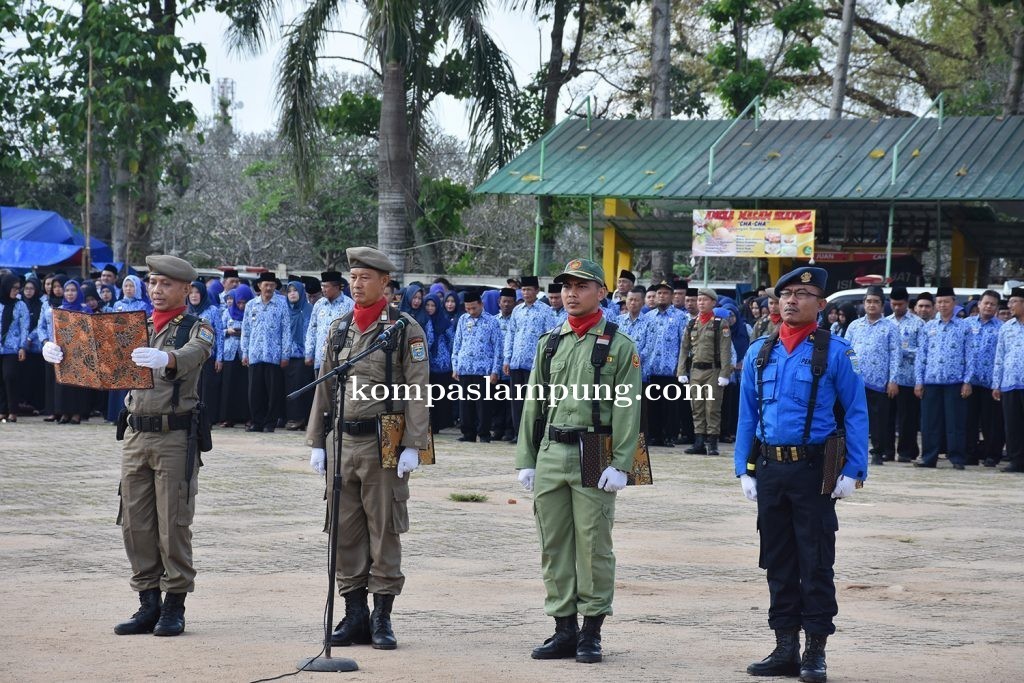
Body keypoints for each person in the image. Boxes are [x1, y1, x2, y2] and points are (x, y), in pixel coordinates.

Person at [43, 255, 213, 637]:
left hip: (174, 436)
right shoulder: (136, 325)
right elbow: (100, 362)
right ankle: (147, 601)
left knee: (173, 522)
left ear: (187, 289)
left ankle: (174, 605)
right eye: (152, 282)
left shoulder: (195, 328)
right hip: (136, 434)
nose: (156, 290)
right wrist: (61, 355)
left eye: (166, 284)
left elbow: (194, 356)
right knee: (135, 522)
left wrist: (166, 357)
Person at [735, 266, 868, 683]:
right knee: (777, 560)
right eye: (786, 294)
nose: (791, 300)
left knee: (815, 561)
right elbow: (747, 416)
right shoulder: (760, 350)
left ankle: (815, 652)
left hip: (815, 469)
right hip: (772, 468)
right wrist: (744, 467)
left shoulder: (837, 352)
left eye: (803, 293)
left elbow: (857, 412)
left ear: (821, 304)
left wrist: (853, 469)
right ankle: (784, 647)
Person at [516, 258, 641, 664]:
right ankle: (563, 628)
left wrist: (622, 463)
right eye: (567, 286)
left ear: (602, 292)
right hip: (553, 451)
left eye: (581, 286)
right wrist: (527, 458)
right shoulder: (549, 342)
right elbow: (533, 402)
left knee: (593, 546)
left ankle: (591, 632)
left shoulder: (619, 346)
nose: (571, 293)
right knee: (553, 545)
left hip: (596, 453)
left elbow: (628, 408)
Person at [306, 246, 429, 651]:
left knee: (384, 531)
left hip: (384, 443)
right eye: (353, 277)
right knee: (344, 532)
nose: (356, 284)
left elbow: (417, 389)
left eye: (365, 278)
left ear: (385, 284)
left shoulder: (403, 329)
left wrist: (414, 444)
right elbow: (325, 385)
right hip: (342, 441)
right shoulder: (338, 328)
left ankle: (382, 618)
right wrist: (316, 442)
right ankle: (354, 613)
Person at [914, 287, 972, 470]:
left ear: (954, 303)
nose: (943, 305)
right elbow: (920, 355)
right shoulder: (928, 327)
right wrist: (918, 380)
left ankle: (957, 458)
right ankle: (929, 457)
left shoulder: (964, 326)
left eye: (946, 301)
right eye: (939, 302)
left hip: (955, 382)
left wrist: (967, 381)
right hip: (931, 381)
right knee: (929, 423)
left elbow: (970, 355)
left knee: (955, 422)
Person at [843, 286, 900, 466]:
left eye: (876, 302)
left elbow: (895, 354)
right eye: (869, 301)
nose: (872, 305)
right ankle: (851, 452)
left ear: (882, 305)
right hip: (856, 382)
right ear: (864, 304)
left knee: (878, 420)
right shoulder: (854, 325)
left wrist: (893, 380)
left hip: (879, 382)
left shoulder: (890, 327)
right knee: (854, 418)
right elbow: (846, 352)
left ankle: (877, 452)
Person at [677, 288, 732, 455]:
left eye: (705, 300)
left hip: (713, 371)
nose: (700, 303)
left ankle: (713, 443)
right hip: (695, 371)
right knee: (697, 406)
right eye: (699, 300)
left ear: (713, 303)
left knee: (712, 407)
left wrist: (725, 373)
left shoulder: (719, 323)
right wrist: (681, 371)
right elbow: (684, 349)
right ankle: (699, 442)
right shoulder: (692, 323)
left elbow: (725, 350)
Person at [503, 275, 555, 444]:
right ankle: (519, 434)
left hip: (534, 364)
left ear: (537, 291)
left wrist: (547, 362)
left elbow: (551, 337)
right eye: (523, 290)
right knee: (516, 401)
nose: (525, 293)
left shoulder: (545, 310)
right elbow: (510, 335)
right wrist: (507, 359)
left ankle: (533, 435)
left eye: (529, 290)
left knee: (533, 401)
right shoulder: (517, 310)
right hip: (516, 362)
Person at [240, 272, 291, 433]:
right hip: (255, 353)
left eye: (271, 285)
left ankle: (270, 422)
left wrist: (285, 354)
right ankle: (257, 421)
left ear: (275, 286)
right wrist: (245, 352)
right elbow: (245, 330)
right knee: (255, 391)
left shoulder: (282, 304)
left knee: (273, 391)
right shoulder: (251, 305)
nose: (268, 288)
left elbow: (286, 331)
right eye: (265, 285)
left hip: (274, 355)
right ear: (259, 286)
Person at [451, 290, 502, 443]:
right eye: (468, 308)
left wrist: (495, 370)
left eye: (474, 308)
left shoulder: (492, 321)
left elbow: (498, 347)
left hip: (484, 370)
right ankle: (468, 434)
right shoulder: (462, 319)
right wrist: (455, 366)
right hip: (465, 368)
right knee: (465, 404)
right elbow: (457, 343)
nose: (471, 311)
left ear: (481, 304)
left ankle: (484, 434)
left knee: (483, 405)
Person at [964, 290, 1003, 466]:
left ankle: (991, 455)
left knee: (991, 422)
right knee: (969, 420)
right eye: (986, 303)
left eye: (992, 304)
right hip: (969, 382)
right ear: (979, 304)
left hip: (991, 383)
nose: (988, 306)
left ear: (996, 308)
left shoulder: (1002, 328)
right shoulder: (965, 324)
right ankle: (970, 454)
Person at [643, 281, 685, 447]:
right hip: (651, 369)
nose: (661, 296)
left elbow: (684, 344)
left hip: (671, 370)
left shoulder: (681, 317)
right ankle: (654, 435)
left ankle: (670, 436)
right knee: (652, 406)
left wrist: (681, 367)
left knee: (670, 406)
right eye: (659, 293)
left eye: (665, 293)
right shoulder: (648, 317)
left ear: (672, 296)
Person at [886, 287, 924, 462]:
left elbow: (923, 351)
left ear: (907, 303)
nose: (896, 308)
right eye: (893, 304)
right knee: (887, 416)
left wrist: (902, 351)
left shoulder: (918, 323)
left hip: (909, 378)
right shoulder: (886, 322)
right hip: (888, 378)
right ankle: (887, 450)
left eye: (899, 304)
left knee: (907, 418)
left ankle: (906, 452)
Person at [993, 287, 1024, 473]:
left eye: (1014, 302)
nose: (1010, 306)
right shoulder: (1006, 327)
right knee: (1012, 425)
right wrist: (996, 383)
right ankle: (1016, 460)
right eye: (1010, 302)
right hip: (1009, 382)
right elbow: (999, 356)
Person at [188, 280, 225, 425]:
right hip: (190, 356)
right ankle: (192, 418)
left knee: (207, 389)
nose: (194, 296)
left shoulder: (212, 310)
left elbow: (219, 334)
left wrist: (220, 358)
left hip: (209, 356)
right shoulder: (186, 310)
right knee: (192, 388)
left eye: (197, 292)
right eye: (191, 292)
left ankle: (207, 419)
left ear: (203, 294)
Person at [305, 271, 356, 372]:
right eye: (322, 286)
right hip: (320, 358)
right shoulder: (319, 304)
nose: (322, 290)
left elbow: (353, 333)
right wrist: (309, 353)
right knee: (319, 387)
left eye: (325, 286)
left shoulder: (350, 305)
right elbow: (312, 329)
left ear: (336, 287)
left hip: (339, 360)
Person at [219, 286, 252, 428]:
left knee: (245, 387)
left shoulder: (251, 312)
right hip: (229, 354)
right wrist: (228, 331)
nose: (241, 306)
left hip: (246, 354)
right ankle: (228, 417)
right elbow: (218, 330)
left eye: (244, 302)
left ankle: (246, 417)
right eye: (239, 302)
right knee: (229, 387)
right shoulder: (227, 312)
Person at [283, 280, 314, 430]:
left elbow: (311, 333)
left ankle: (300, 417)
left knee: (300, 387)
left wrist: (309, 353)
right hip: (286, 356)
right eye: (289, 291)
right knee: (287, 387)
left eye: (295, 290)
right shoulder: (285, 311)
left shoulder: (309, 309)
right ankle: (288, 416)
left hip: (304, 357)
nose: (292, 294)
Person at [423, 292, 456, 433]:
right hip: (427, 364)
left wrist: (447, 357)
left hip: (442, 365)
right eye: (428, 305)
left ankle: (439, 424)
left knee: (440, 397)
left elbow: (452, 341)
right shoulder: (422, 320)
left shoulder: (444, 322)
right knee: (428, 396)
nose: (430, 308)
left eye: (433, 305)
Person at [0, 274, 29, 422]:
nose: (16, 291)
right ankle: (2, 411)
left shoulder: (20, 305)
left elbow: (24, 327)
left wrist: (22, 346)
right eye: (13, 288)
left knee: (9, 377)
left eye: (18, 288)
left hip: (12, 348)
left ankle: (13, 410)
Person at [491, 288, 518, 441]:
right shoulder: (493, 320)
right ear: (499, 303)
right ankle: (497, 429)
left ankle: (510, 430)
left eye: (510, 301)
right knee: (496, 399)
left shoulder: (517, 319)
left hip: (511, 366)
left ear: (515, 303)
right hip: (496, 366)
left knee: (510, 401)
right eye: (504, 301)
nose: (507, 304)